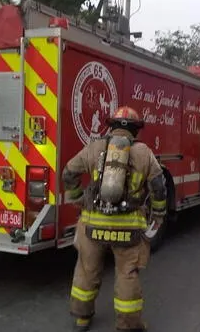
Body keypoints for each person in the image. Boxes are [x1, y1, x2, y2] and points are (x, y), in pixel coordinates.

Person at [62, 106, 167, 332]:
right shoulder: (144, 153)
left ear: (111, 126)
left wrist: (78, 199)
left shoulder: (94, 148)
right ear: (136, 130)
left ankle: (81, 318)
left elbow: (68, 173)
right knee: (127, 274)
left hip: (92, 224)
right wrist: (158, 214)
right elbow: (158, 188)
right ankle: (127, 325)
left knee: (86, 270)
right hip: (129, 228)